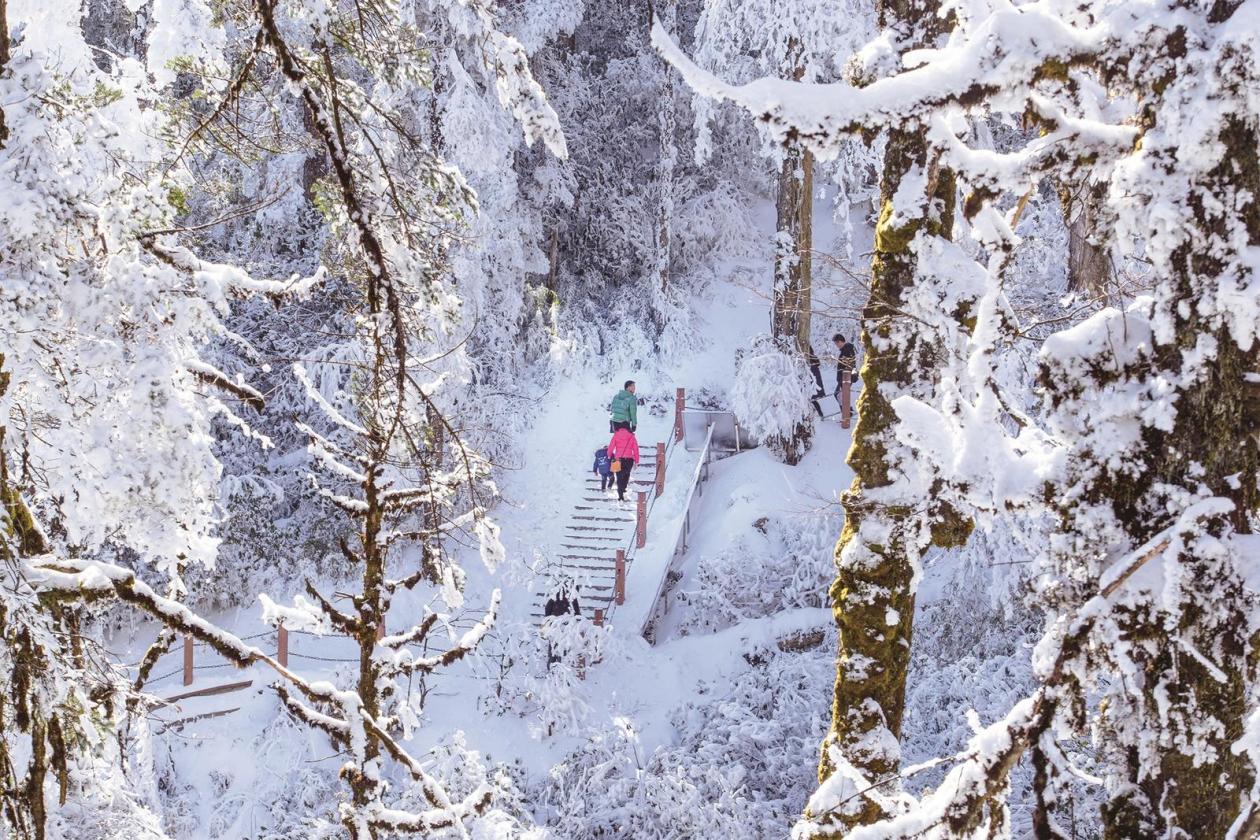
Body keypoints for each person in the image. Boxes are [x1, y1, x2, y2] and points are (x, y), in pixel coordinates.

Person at [606, 425, 640, 501]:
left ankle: (620, 495)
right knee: (626, 474)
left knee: (619, 477)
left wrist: (609, 455)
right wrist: (637, 460)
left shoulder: (616, 434)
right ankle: (623, 487)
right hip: (629, 460)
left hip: (618, 459)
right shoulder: (631, 436)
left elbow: (611, 446)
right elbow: (635, 449)